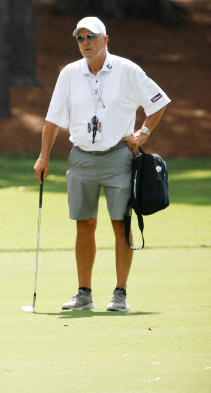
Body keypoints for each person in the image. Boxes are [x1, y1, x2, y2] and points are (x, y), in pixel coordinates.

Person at [33, 17, 169, 313]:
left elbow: (158, 101)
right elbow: (54, 118)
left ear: (105, 40)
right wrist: (43, 156)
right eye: (80, 38)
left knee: (121, 224)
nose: (85, 43)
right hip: (80, 157)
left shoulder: (126, 70)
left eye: (91, 37)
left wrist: (143, 132)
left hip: (119, 155)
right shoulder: (69, 73)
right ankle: (84, 293)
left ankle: (120, 293)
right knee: (84, 225)